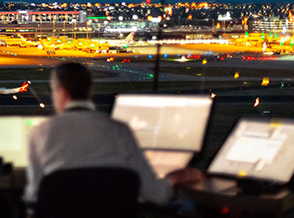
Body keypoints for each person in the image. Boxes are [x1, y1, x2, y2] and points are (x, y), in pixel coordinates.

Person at [24, 61, 203, 204]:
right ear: (90, 91)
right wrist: (174, 177)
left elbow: (35, 196)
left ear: (61, 93)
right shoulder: (119, 131)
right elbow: (157, 194)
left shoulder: (40, 132)